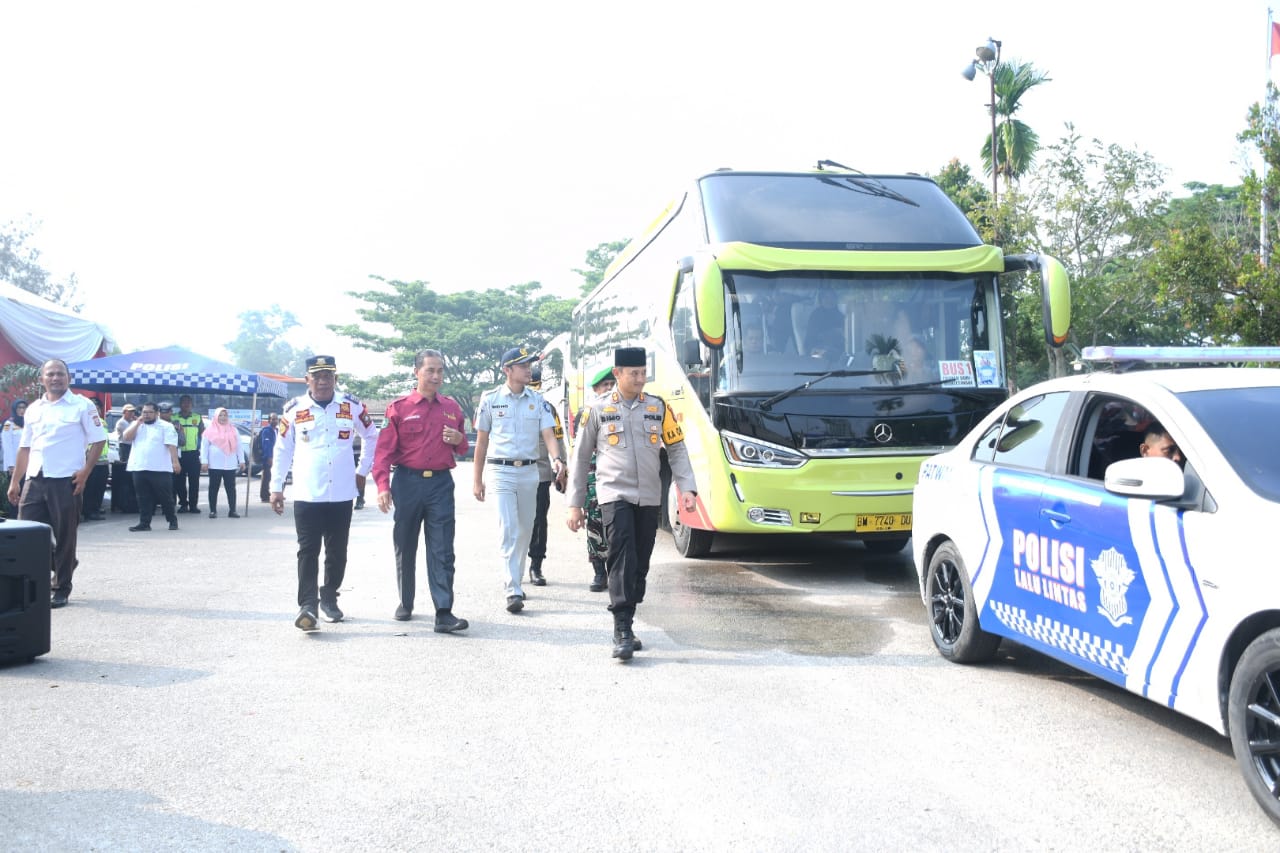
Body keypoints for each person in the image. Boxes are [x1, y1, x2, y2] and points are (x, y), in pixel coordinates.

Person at [566, 347, 698, 661]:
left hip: (649, 496)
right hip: (614, 495)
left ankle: (629, 618)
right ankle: (621, 627)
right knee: (621, 555)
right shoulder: (597, 409)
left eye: (643, 373)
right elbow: (581, 457)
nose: (639, 379)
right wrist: (575, 503)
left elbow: (676, 449)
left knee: (640, 563)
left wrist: (687, 488)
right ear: (617, 374)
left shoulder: (657, 407)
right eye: (633, 374)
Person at [271, 355, 379, 632]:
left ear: (335, 378)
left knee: (337, 551)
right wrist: (276, 487)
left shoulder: (351, 405)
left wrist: (362, 470)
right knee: (308, 550)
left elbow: (371, 435)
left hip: (342, 492)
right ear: (307, 379)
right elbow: (283, 450)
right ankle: (307, 605)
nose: (322, 381)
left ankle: (329, 596)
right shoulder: (294, 409)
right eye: (316, 376)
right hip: (308, 492)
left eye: (327, 376)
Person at [370, 349, 469, 631]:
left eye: (440, 370)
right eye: (430, 370)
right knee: (406, 543)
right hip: (407, 482)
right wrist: (382, 486)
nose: (436, 376)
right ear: (417, 372)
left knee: (442, 548)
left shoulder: (451, 407)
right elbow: (384, 452)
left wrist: (460, 439)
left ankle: (444, 611)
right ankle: (406, 601)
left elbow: (461, 448)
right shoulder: (399, 408)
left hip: (440, 483)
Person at [6, 360, 106, 608]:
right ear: (42, 379)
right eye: (50, 374)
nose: (55, 377)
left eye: (60, 373)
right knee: (25, 533)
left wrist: (85, 472)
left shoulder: (81, 406)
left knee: (64, 535)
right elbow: (25, 447)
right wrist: (16, 481)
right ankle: (60, 565)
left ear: (68, 378)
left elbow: (98, 440)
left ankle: (61, 587)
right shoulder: (34, 409)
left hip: (66, 480)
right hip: (35, 478)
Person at [473, 346, 565, 614]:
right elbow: (481, 442)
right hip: (501, 471)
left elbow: (548, 434)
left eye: (529, 365)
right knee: (509, 528)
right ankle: (512, 588)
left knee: (526, 529)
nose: (529, 369)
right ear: (507, 370)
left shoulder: (538, 400)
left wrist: (557, 458)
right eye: (523, 365)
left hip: (529, 472)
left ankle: (516, 577)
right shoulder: (490, 399)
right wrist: (477, 480)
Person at [525, 362, 566, 587]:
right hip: (514, 472)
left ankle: (536, 565)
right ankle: (515, 566)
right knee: (517, 522)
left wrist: (563, 469)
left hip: (540, 472)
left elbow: (557, 439)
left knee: (539, 520)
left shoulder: (546, 407)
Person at [576, 365, 616, 593]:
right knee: (594, 526)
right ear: (595, 389)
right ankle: (599, 572)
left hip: (614, 477)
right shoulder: (587, 412)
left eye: (612, 385)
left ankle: (616, 572)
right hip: (592, 478)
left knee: (617, 526)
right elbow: (579, 453)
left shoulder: (621, 410)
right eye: (605, 385)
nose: (609, 389)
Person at [124, 401, 181, 532]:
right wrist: (137, 423)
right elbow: (126, 437)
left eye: (149, 412)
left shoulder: (165, 426)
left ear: (157, 413)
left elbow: (171, 444)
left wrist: (175, 462)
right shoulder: (137, 424)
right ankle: (144, 523)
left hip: (160, 468)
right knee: (142, 497)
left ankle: (172, 519)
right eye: (144, 412)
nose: (146, 415)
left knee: (165, 497)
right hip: (139, 466)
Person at [201, 407, 247, 518]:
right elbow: (204, 447)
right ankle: (213, 511)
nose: (223, 417)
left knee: (231, 488)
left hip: (230, 464)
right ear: (216, 417)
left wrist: (242, 461)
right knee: (213, 487)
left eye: (225, 415)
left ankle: (232, 510)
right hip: (215, 464)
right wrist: (204, 461)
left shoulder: (233, 430)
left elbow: (239, 446)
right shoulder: (209, 431)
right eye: (220, 415)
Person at [172, 394, 204, 513]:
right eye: (184, 402)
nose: (186, 405)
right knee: (179, 481)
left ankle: (193, 505)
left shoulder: (197, 417)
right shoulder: (174, 417)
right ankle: (183, 504)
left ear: (192, 405)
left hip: (193, 453)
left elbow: (202, 433)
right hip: (178, 454)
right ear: (180, 404)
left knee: (194, 481)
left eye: (188, 403)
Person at [81, 398, 111, 521]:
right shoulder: (84, 422)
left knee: (99, 488)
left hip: (103, 460)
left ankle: (95, 509)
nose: (96, 410)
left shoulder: (102, 422)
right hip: (90, 460)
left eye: (98, 408)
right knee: (89, 488)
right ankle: (87, 511)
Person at [111, 404, 139, 514]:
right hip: (125, 446)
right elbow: (129, 436)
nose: (132, 413)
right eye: (129, 412)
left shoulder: (132, 422)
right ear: (124, 412)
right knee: (125, 466)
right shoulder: (121, 422)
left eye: (133, 411)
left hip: (131, 446)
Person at [1, 399, 26, 515]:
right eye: (19, 408)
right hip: (14, 465)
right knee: (15, 491)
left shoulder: (28, 423)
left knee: (26, 491)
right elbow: (7, 446)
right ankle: (14, 516)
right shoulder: (9, 424)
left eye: (24, 408)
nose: (22, 410)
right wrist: (11, 465)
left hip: (27, 464)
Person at [255, 413, 279, 503]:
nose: (275, 421)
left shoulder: (276, 430)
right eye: (273, 419)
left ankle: (270, 493)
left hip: (276, 457)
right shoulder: (267, 431)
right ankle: (264, 496)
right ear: (269, 421)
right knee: (266, 477)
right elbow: (267, 445)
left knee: (273, 476)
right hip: (268, 458)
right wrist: (269, 457)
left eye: (276, 419)